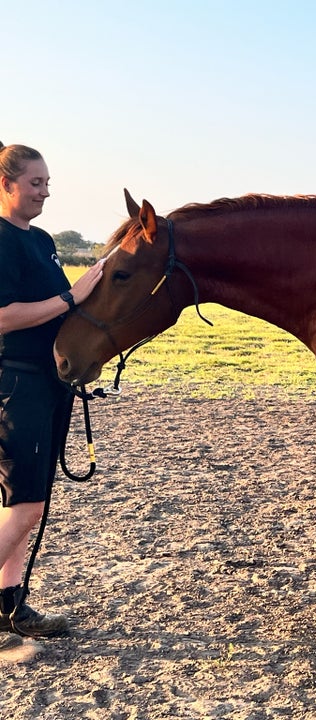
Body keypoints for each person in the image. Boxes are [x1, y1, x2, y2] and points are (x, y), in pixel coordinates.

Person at [0, 142, 105, 652]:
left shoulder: (41, 240)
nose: (45, 191)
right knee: (25, 504)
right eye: (35, 183)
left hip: (48, 383)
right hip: (13, 381)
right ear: (6, 184)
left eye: (47, 183)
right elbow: (3, 316)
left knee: (24, 502)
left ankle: (9, 605)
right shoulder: (0, 240)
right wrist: (71, 296)